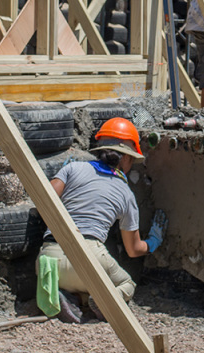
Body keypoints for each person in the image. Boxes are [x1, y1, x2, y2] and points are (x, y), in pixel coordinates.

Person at [37, 118, 166, 320]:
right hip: (89, 259)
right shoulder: (126, 193)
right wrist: (153, 241)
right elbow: (133, 250)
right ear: (126, 158)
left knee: (75, 279)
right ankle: (105, 300)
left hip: (48, 262)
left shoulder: (72, 168)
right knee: (127, 284)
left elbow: (44, 199)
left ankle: (65, 297)